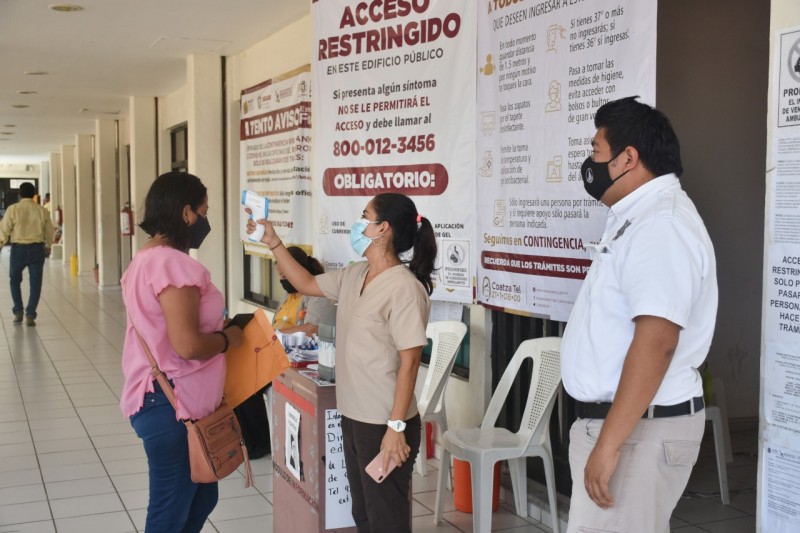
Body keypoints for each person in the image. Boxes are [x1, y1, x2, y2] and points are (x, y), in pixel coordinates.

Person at [561, 96, 718, 532]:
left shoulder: (660, 224)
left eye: (596, 151)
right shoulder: (638, 216)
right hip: (629, 428)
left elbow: (657, 340)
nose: (589, 163)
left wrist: (610, 444)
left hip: (637, 433)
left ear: (628, 158)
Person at [248, 192, 437, 532]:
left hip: (384, 421)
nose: (358, 222)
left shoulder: (405, 289)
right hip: (353, 415)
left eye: (365, 215)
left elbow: (410, 364)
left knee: (387, 519)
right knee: (363, 513)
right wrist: (274, 242)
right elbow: (304, 282)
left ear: (383, 229)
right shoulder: (355, 275)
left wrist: (395, 430)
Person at [120, 171, 244, 533]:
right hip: (171, 405)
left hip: (175, 402)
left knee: (201, 498)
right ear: (187, 214)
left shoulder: (144, 259)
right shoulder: (173, 265)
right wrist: (228, 340)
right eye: (204, 212)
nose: (205, 221)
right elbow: (188, 345)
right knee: (170, 511)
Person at [234, 246, 334, 459]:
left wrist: (272, 333)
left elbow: (311, 328)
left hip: (297, 360)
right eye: (279, 276)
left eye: (285, 274)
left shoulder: (316, 294)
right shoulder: (288, 297)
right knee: (236, 379)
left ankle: (259, 443)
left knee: (248, 385)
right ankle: (249, 438)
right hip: (274, 353)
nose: (282, 280)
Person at [0, 182, 54, 326]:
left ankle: (18, 311)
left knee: (14, 280)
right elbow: (50, 231)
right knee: (36, 282)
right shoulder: (42, 210)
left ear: (20, 194)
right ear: (34, 194)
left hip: (18, 250)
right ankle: (30, 314)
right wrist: (49, 246)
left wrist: (1, 244)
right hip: (37, 249)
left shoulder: (12, 209)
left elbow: (4, 229)